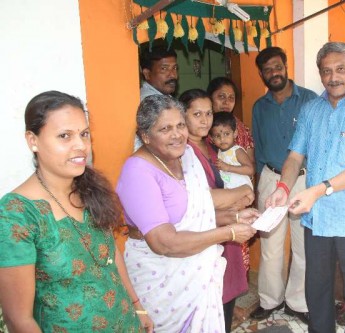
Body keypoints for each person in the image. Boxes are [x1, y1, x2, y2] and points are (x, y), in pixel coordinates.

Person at [0, 91, 153, 332]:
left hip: (125, 324)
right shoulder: (17, 214)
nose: (81, 145)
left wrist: (137, 306)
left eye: (84, 134)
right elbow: (19, 319)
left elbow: (110, 253)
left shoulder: (90, 189)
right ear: (33, 140)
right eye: (64, 136)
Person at [266, 42, 345, 333]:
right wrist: (283, 187)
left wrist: (318, 190)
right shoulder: (311, 110)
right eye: (326, 71)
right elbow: (296, 155)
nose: (333, 77)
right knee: (317, 293)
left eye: (341, 69)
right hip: (317, 220)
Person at [116, 94, 257, 332]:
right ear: (146, 136)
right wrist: (229, 234)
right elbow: (165, 243)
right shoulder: (138, 171)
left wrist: (234, 218)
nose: (177, 134)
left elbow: (197, 211)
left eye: (180, 125)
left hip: (194, 272)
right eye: (165, 128)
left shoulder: (187, 156)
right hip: (162, 280)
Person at [179, 89, 256, 333]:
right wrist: (240, 193)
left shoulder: (213, 147)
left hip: (224, 228)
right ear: (183, 115)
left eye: (209, 113)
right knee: (205, 300)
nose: (205, 120)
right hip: (202, 234)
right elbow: (195, 198)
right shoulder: (181, 151)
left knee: (225, 293)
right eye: (197, 114)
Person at [251, 46, 317, 323]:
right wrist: (258, 184)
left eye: (277, 67)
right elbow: (257, 147)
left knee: (303, 246)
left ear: (286, 66)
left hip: (303, 180)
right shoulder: (259, 106)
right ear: (262, 74)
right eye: (267, 70)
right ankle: (270, 300)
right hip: (270, 178)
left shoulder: (310, 100)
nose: (273, 73)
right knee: (271, 246)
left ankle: (298, 303)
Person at [134, 46, 179, 151]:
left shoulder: (163, 96)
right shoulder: (149, 102)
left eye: (175, 68)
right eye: (164, 68)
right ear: (147, 74)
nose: (173, 75)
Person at [207, 77, 255, 164]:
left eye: (231, 98)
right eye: (221, 97)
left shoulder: (243, 129)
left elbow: (251, 166)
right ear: (210, 98)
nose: (226, 102)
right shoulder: (203, 127)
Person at [210, 111, 254, 189]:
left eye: (226, 134)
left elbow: (250, 170)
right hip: (230, 191)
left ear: (235, 134)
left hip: (242, 189)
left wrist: (228, 167)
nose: (222, 139)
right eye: (217, 136)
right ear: (212, 138)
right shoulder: (218, 152)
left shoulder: (237, 151)